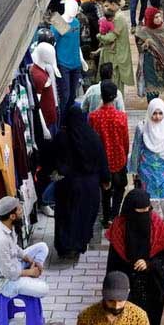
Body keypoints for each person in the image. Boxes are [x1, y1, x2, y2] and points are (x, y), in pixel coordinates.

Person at [105, 189, 164, 325]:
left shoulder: (158, 226)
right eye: (139, 211)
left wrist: (150, 264)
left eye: (147, 210)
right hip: (127, 284)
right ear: (130, 210)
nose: (144, 215)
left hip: (152, 285)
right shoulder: (119, 227)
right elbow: (113, 261)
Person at [51, 106, 111, 258]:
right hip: (89, 185)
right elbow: (102, 159)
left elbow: (53, 161)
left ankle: (65, 246)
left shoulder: (61, 137)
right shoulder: (92, 137)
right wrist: (105, 179)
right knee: (83, 216)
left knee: (66, 216)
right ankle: (78, 245)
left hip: (67, 185)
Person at [0, 197, 50, 299]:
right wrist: (30, 272)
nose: (22, 211)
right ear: (12, 216)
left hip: (14, 265)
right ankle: (30, 276)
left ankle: (33, 271)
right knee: (44, 289)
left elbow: (15, 247)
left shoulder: (8, 225)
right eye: (19, 209)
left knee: (42, 247)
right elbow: (9, 273)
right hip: (5, 282)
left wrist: (28, 258)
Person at [129, 98, 164, 227]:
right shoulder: (142, 127)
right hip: (147, 171)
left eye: (160, 113)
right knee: (151, 202)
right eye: (154, 113)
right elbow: (136, 148)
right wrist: (134, 170)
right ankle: (155, 227)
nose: (157, 117)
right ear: (149, 112)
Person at [89, 81, 130, 226]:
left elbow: (92, 141)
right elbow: (125, 141)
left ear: (101, 95)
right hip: (118, 159)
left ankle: (106, 218)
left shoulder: (94, 117)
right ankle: (114, 215)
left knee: (105, 190)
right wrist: (125, 155)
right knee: (119, 188)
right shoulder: (121, 117)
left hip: (102, 161)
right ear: (115, 98)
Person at [134, 7, 164, 102]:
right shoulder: (143, 31)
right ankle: (152, 105)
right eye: (156, 17)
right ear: (150, 18)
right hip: (149, 62)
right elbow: (140, 47)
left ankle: (154, 103)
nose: (159, 19)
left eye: (160, 16)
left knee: (159, 84)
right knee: (151, 86)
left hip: (162, 64)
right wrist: (145, 44)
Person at [77, 271, 150, 325]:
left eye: (120, 301)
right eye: (111, 301)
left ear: (128, 293)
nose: (116, 306)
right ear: (103, 294)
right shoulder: (86, 317)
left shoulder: (139, 318)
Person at [99, 0, 135, 91]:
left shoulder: (117, 18)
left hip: (116, 56)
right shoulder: (115, 16)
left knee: (115, 83)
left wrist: (99, 36)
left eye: (107, 6)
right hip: (114, 54)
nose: (105, 9)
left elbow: (110, 37)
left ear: (114, 4)